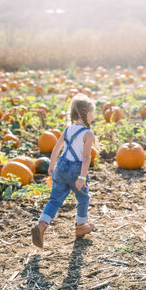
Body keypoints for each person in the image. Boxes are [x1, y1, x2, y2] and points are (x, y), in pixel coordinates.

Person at [31, 93, 96, 248]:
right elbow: (86, 158)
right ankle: (80, 226)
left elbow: (56, 149)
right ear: (86, 114)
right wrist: (81, 177)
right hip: (76, 170)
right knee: (83, 198)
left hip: (61, 167)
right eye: (92, 112)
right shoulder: (88, 133)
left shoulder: (68, 129)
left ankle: (41, 226)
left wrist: (51, 166)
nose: (94, 115)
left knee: (55, 200)